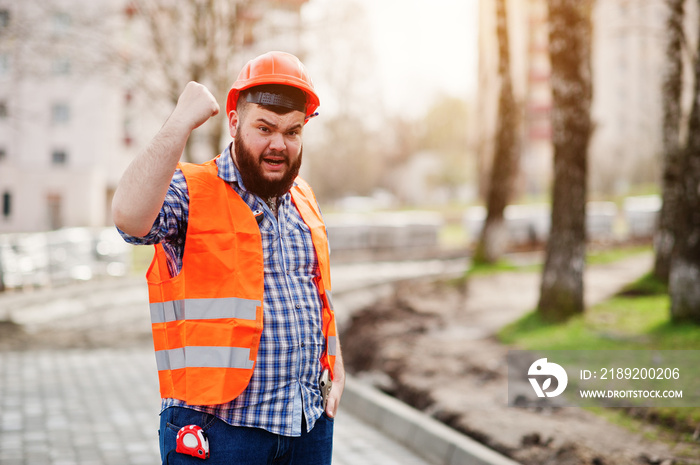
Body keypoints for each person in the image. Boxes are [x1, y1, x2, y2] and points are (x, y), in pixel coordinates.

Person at [112, 51, 344, 465]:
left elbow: (314, 291)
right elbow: (129, 219)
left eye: (293, 132)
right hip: (219, 430)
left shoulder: (304, 198)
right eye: (264, 127)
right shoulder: (192, 191)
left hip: (307, 425)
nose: (279, 144)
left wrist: (335, 359)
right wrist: (179, 121)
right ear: (234, 123)